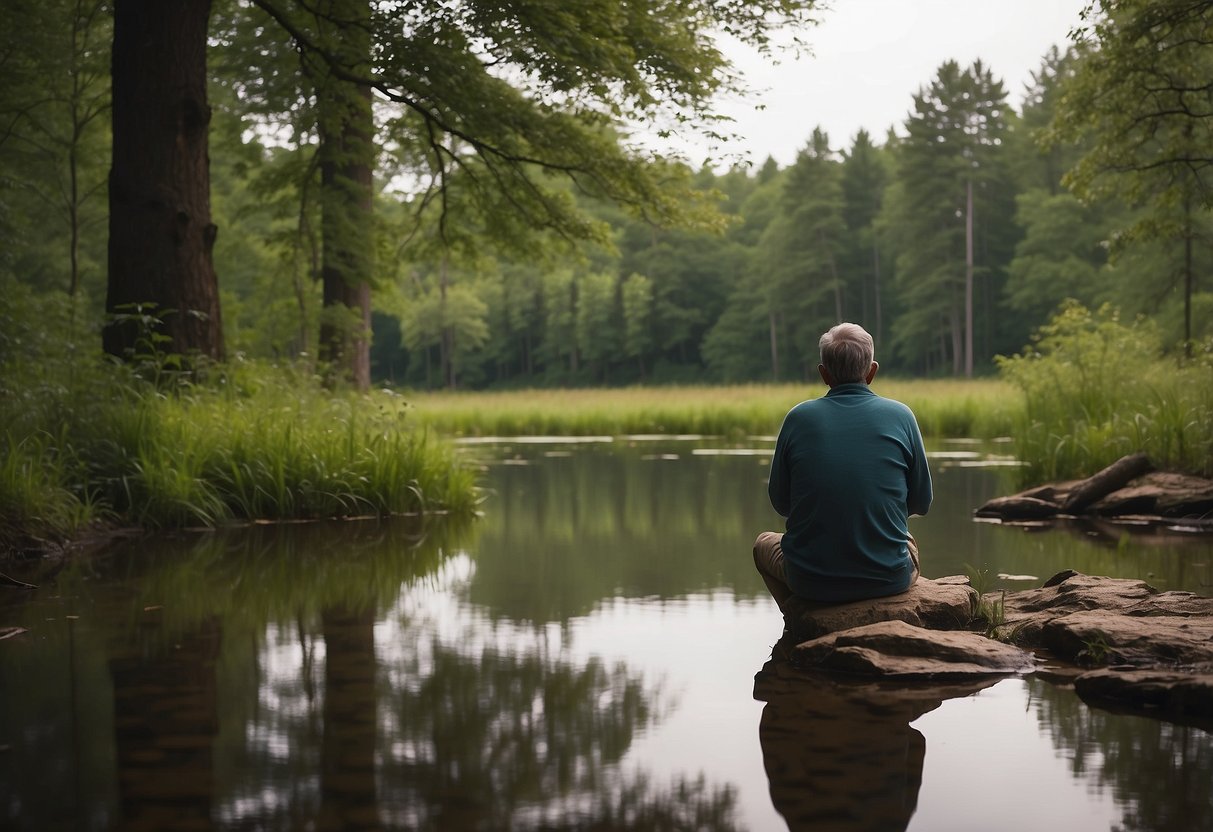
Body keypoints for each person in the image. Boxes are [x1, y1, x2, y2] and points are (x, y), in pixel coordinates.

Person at [754, 322, 932, 628]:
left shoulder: (798, 418)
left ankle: (803, 625)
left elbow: (781, 504)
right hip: (889, 578)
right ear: (872, 371)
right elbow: (922, 502)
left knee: (762, 544)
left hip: (811, 581)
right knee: (906, 539)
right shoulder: (902, 415)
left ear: (824, 374)